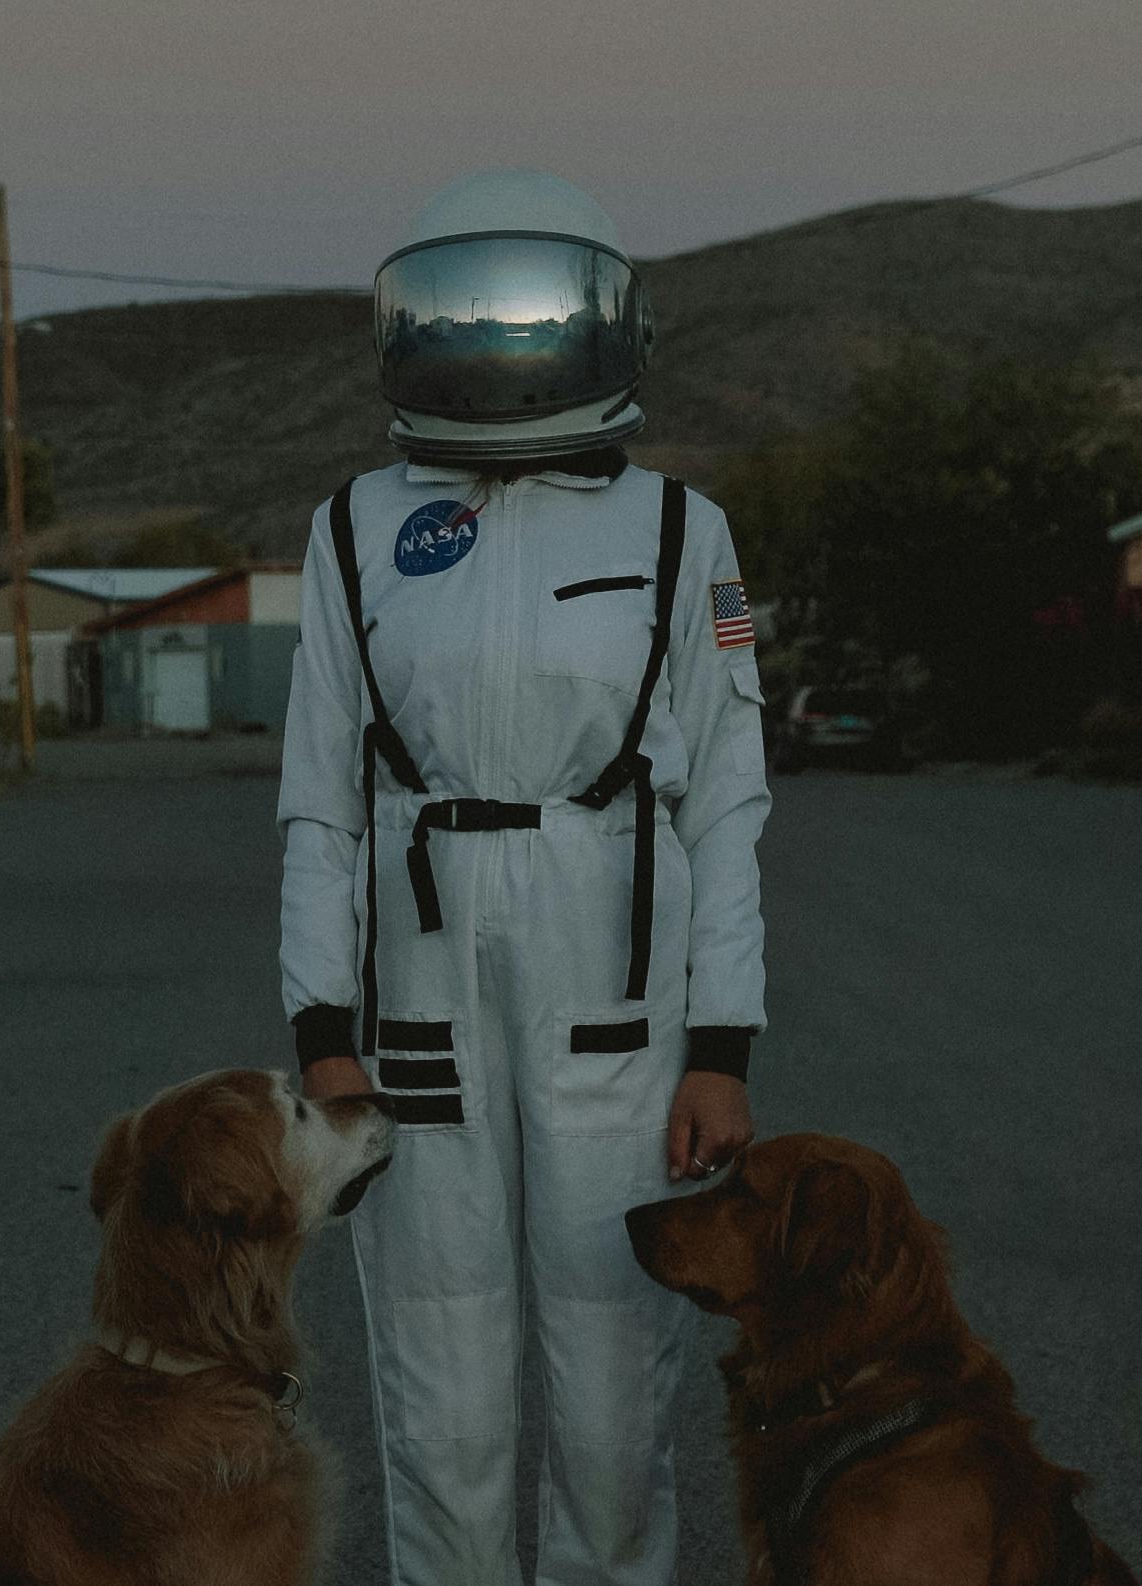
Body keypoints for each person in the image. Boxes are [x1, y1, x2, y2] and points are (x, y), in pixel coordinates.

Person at [278, 168, 772, 1586]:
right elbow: (319, 798)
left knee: (619, 1377)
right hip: (416, 996)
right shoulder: (355, 527)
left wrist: (721, 1045)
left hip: (615, 992)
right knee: (440, 1375)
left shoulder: (690, 538)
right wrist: (323, 1033)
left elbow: (733, 796)